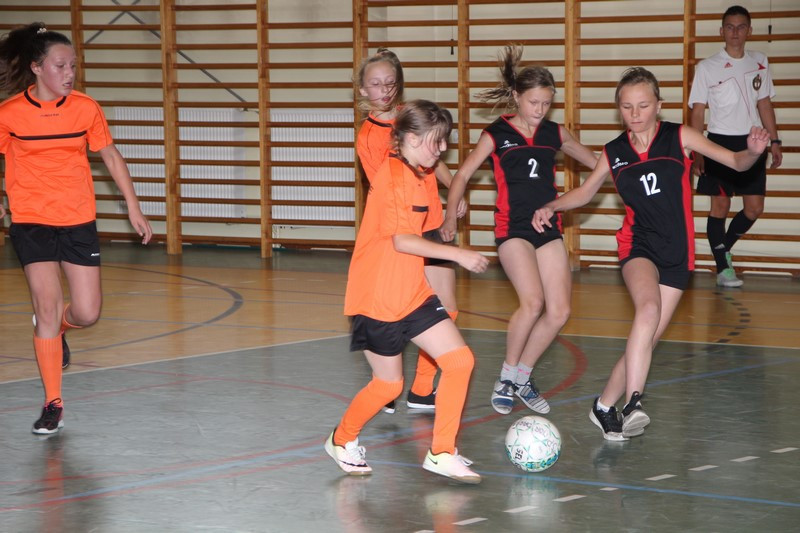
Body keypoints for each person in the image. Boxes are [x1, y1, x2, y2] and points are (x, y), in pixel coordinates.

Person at [532, 67, 769, 440]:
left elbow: (737, 162)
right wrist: (552, 205)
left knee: (647, 339)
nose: (635, 113)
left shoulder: (679, 136)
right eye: (627, 107)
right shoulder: (614, 152)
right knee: (647, 310)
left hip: (677, 254)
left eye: (643, 105)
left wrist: (753, 152)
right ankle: (633, 404)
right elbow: (586, 192)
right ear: (619, 109)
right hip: (637, 245)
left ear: (658, 105)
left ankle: (603, 406)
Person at [0, 23, 153, 434]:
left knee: (87, 312)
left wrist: (133, 207)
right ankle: (53, 403)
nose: (69, 73)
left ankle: (58, 331)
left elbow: (111, 156)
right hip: (31, 220)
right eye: (60, 65)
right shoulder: (9, 114)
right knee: (46, 307)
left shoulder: (85, 108)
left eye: (73, 65)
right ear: (37, 68)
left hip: (77, 218)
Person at [326, 100, 489, 483]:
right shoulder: (394, 175)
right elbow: (403, 240)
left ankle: (442, 451)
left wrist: (451, 215)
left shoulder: (421, 174)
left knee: (460, 361)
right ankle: (341, 439)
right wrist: (459, 255)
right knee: (388, 385)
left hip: (412, 292)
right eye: (438, 141)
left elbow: (427, 230)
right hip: (377, 297)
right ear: (412, 138)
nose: (443, 149)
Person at [440, 45, 598, 416]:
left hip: (547, 226)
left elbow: (596, 163)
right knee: (533, 302)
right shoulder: (496, 133)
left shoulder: (555, 133)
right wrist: (450, 217)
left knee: (559, 311)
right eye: (533, 102)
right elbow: (462, 174)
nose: (540, 110)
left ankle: (522, 377)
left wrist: (632, 159)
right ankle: (506, 376)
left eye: (546, 103)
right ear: (516, 96)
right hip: (512, 228)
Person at [355, 48, 465, 414]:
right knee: (398, 309)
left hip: (432, 225)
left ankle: (421, 389)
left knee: (448, 308)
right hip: (404, 234)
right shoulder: (369, 138)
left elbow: (437, 162)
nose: (384, 90)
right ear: (363, 90)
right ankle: (385, 383)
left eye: (390, 82)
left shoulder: (412, 117)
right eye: (376, 84)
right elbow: (390, 192)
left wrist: (453, 196)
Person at [689, 5, 782, 288]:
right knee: (720, 205)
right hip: (718, 143)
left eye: (741, 27)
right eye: (730, 27)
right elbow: (697, 112)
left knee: (754, 208)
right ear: (722, 31)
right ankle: (723, 269)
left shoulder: (760, 62)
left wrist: (775, 140)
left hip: (753, 142)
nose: (735, 32)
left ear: (749, 31)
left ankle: (723, 250)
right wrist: (697, 150)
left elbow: (764, 103)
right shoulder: (707, 67)